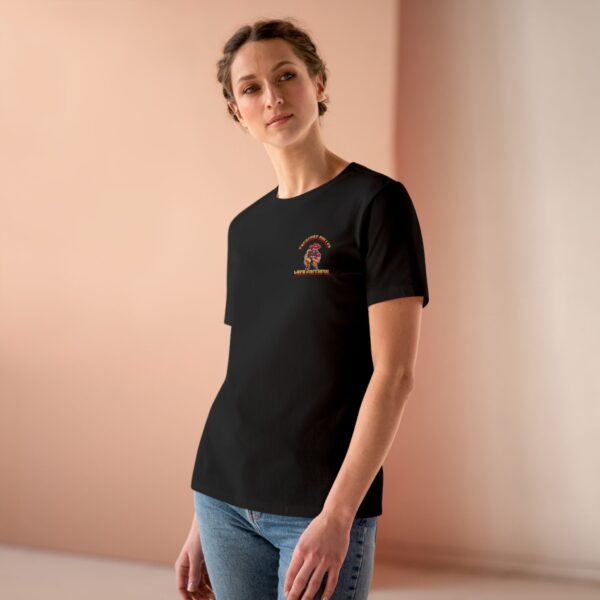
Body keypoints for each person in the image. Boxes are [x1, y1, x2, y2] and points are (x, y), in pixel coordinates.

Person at [175, 17, 430, 600]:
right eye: (251, 88)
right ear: (237, 111)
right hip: (223, 496)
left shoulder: (377, 204)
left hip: (319, 507)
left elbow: (394, 375)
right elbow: (247, 373)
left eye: (286, 75)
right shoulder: (245, 228)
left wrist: (340, 516)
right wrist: (201, 519)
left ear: (318, 82)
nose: (272, 97)